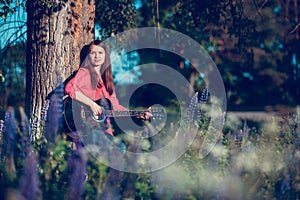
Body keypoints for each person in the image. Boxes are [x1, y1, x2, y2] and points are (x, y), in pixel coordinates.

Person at [65, 39, 152, 137]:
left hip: (104, 130)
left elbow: (116, 107)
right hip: (86, 127)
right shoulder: (85, 73)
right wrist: (92, 105)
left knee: (120, 148)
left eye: (100, 52)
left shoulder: (107, 81)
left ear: (105, 56)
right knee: (120, 148)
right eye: (93, 53)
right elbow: (69, 89)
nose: (97, 56)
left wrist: (137, 114)